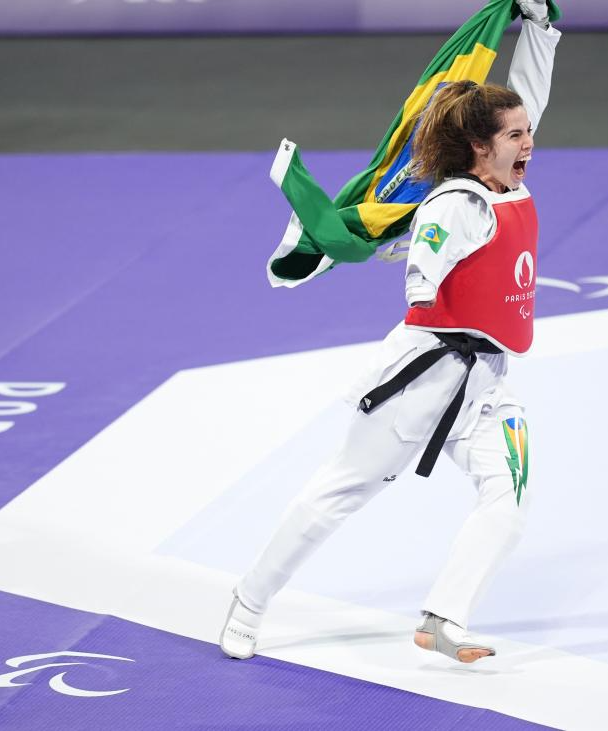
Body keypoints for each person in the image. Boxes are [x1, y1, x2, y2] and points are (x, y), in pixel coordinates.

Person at [220, 1, 561, 664]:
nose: (529, 142)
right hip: (419, 378)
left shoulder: (504, 175)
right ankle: (249, 600)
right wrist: (420, 261)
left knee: (508, 493)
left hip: (485, 381)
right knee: (338, 493)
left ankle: (442, 617)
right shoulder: (455, 203)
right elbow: (422, 274)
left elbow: (531, 98)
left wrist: (541, 31)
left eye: (527, 131)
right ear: (480, 147)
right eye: (516, 135)